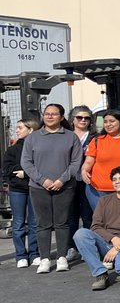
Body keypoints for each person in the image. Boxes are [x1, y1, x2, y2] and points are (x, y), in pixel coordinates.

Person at [21, 103, 82, 273]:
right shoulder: (33, 138)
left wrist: (62, 180)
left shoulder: (71, 137)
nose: (49, 116)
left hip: (65, 186)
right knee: (43, 224)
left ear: (61, 117)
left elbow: (76, 162)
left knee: (62, 223)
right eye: (47, 113)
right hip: (38, 187)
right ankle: (45, 259)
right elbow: (26, 162)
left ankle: (61, 257)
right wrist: (42, 180)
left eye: (54, 114)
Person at [73, 166, 120, 290]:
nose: (117, 182)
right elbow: (96, 226)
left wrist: (119, 246)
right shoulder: (104, 201)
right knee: (81, 234)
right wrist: (113, 239)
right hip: (107, 242)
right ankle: (101, 274)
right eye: (114, 179)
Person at [81, 110, 120, 212]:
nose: (108, 124)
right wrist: (84, 171)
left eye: (111, 121)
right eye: (105, 122)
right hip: (98, 190)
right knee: (104, 221)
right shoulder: (97, 140)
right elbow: (88, 162)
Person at [3, 117, 40, 268]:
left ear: (31, 130)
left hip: (34, 188)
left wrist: (24, 172)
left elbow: (41, 166)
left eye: (20, 127)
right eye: (17, 127)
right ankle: (20, 255)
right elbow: (7, 169)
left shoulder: (38, 148)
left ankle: (34, 254)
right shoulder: (12, 150)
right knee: (18, 223)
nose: (17, 130)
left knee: (34, 223)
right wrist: (22, 171)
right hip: (17, 190)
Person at [66, 105, 96, 242]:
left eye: (87, 118)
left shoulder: (96, 137)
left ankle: (88, 244)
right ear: (72, 119)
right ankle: (71, 246)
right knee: (71, 215)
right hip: (68, 179)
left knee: (88, 215)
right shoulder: (64, 136)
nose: (83, 120)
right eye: (80, 117)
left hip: (89, 180)